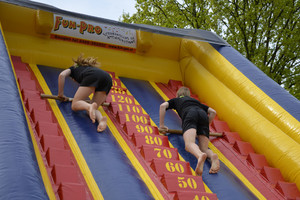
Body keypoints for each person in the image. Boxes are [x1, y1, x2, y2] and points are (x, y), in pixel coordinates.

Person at [159, 86, 220, 176]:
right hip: (203, 115)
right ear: (189, 95)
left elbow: (162, 106)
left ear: (178, 94)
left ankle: (199, 155)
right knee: (204, 148)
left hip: (190, 114)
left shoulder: (176, 100)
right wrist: (206, 126)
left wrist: (161, 125)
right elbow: (213, 112)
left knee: (189, 144)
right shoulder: (196, 102)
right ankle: (212, 156)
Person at [57, 54, 112, 132]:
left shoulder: (73, 69)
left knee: (75, 105)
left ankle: (89, 106)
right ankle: (101, 121)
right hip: (107, 78)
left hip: (92, 76)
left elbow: (61, 75)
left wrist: (60, 94)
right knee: (92, 109)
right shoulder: (89, 68)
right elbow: (102, 96)